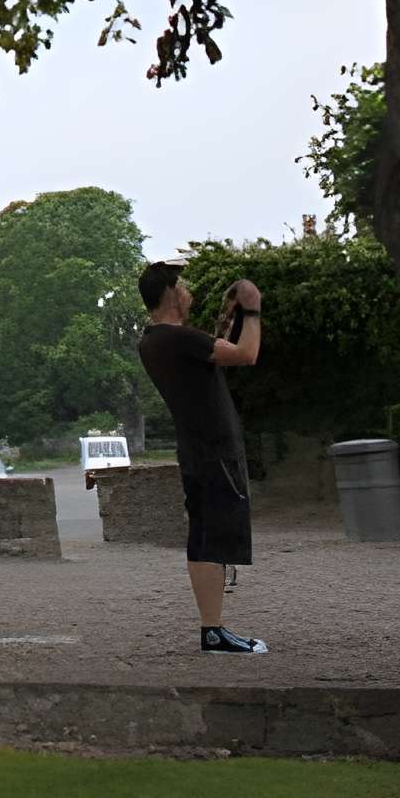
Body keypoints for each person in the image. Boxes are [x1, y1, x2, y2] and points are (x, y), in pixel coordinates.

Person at [136, 262, 266, 653]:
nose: (190, 292)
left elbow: (212, 349)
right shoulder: (179, 340)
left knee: (203, 537)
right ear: (172, 292)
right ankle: (213, 631)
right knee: (214, 538)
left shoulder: (155, 341)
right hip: (215, 451)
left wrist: (229, 315)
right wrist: (253, 310)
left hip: (196, 450)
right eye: (185, 285)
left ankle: (213, 628)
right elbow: (246, 354)